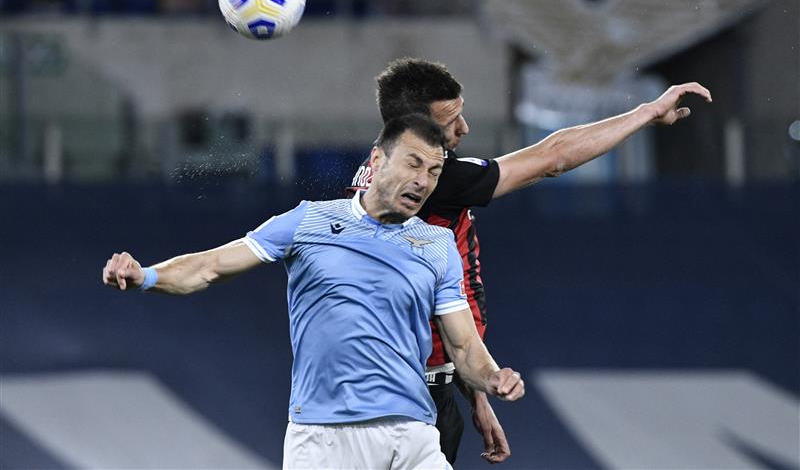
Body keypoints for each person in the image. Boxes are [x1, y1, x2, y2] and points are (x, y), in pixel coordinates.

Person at [102, 114, 525, 469]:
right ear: (377, 160)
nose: (423, 181)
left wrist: (492, 377)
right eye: (413, 164)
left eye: (433, 172)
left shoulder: (436, 245)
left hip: (411, 432)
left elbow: (464, 348)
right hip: (323, 437)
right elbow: (210, 267)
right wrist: (147, 277)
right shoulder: (309, 222)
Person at [347, 58, 713, 464]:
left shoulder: (375, 172)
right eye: (450, 120)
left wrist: (476, 394)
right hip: (413, 398)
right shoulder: (439, 180)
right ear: (417, 128)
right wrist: (646, 113)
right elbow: (552, 158)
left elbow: (430, 293)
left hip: (398, 383)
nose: (463, 128)